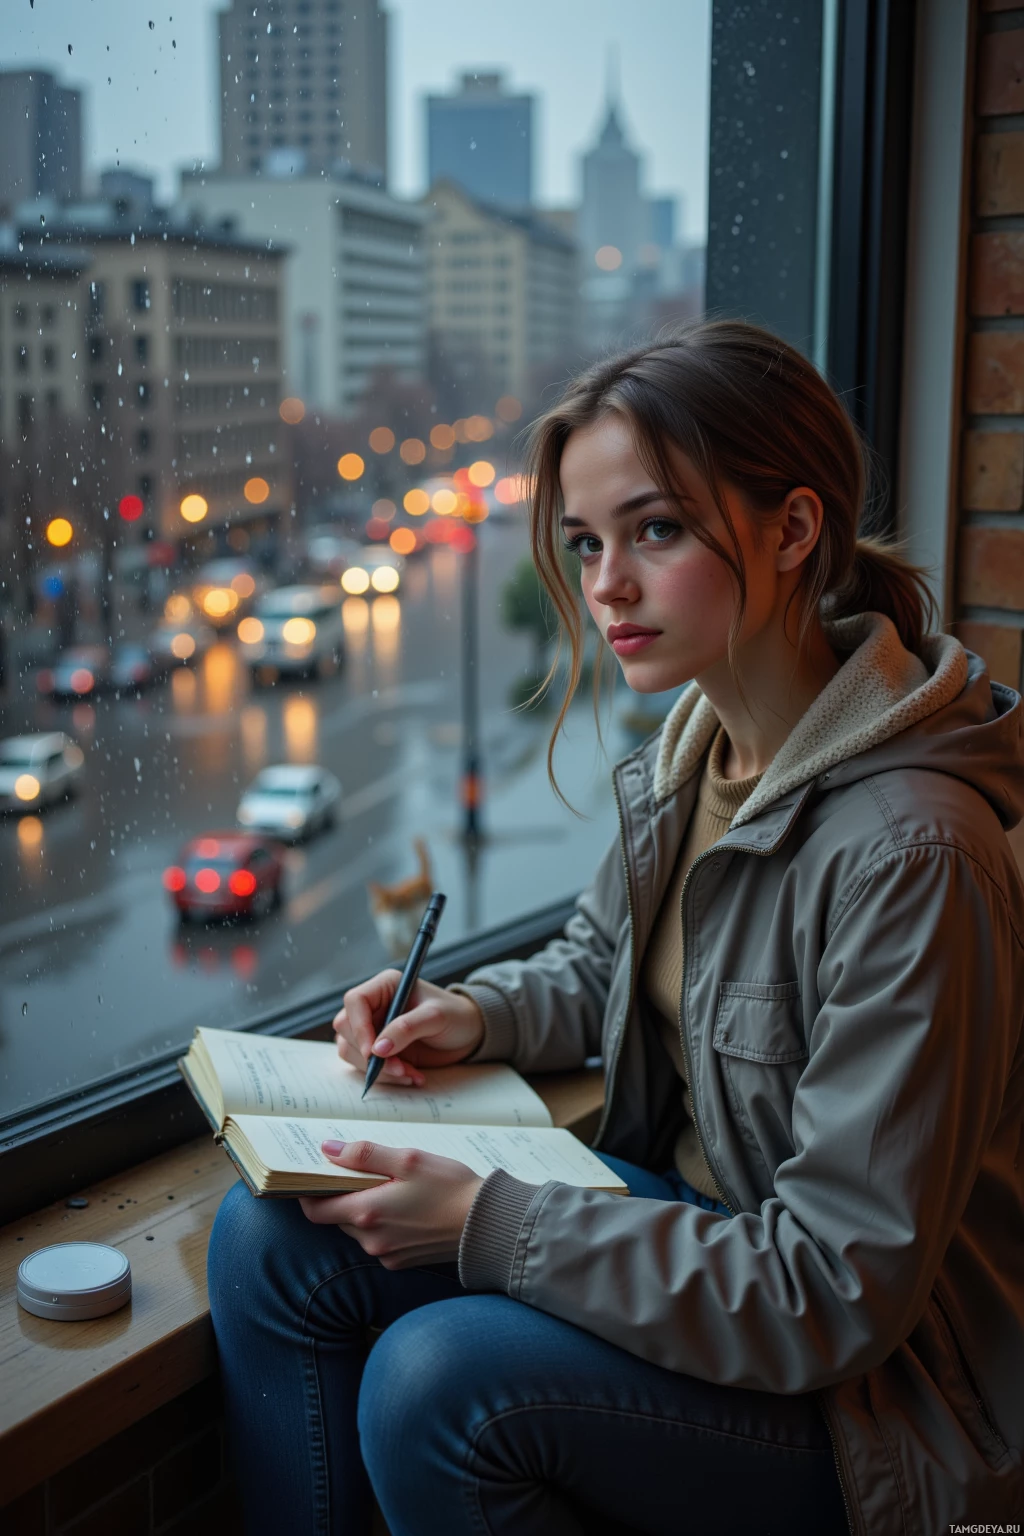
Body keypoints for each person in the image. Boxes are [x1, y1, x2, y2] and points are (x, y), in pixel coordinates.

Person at [208, 321, 1024, 1536]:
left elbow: (833, 1287)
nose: (604, 586)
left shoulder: (913, 853)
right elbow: (606, 963)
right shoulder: (695, 752)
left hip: (873, 1396)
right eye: (587, 544)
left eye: (655, 531)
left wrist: (492, 1225)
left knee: (442, 1386)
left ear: (794, 530)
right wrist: (469, 1009)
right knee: (272, 1234)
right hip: (707, 1235)